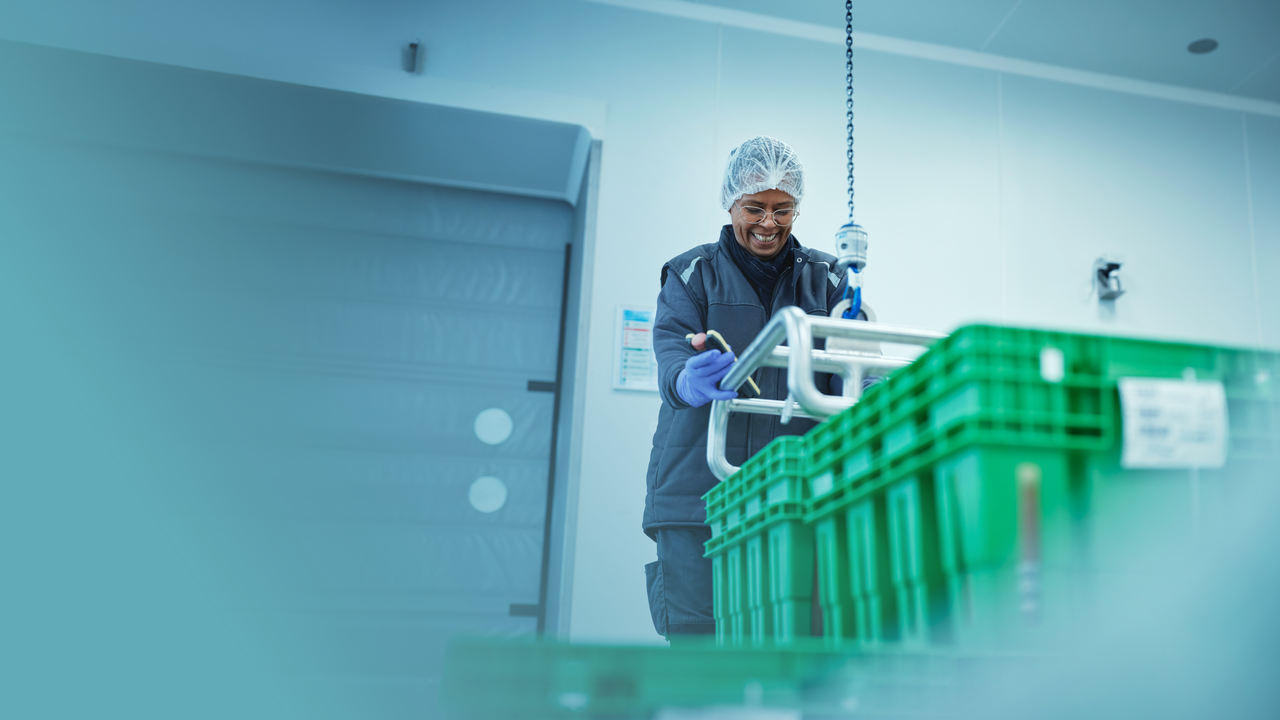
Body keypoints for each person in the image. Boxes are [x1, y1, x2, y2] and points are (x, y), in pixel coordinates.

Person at [644, 136, 850, 640]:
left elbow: (855, 363)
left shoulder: (828, 279)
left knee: (800, 641)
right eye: (754, 207)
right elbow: (672, 347)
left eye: (784, 210)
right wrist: (685, 380)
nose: (768, 223)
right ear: (731, 202)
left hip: (796, 498)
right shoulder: (693, 273)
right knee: (700, 646)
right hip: (697, 496)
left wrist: (870, 382)